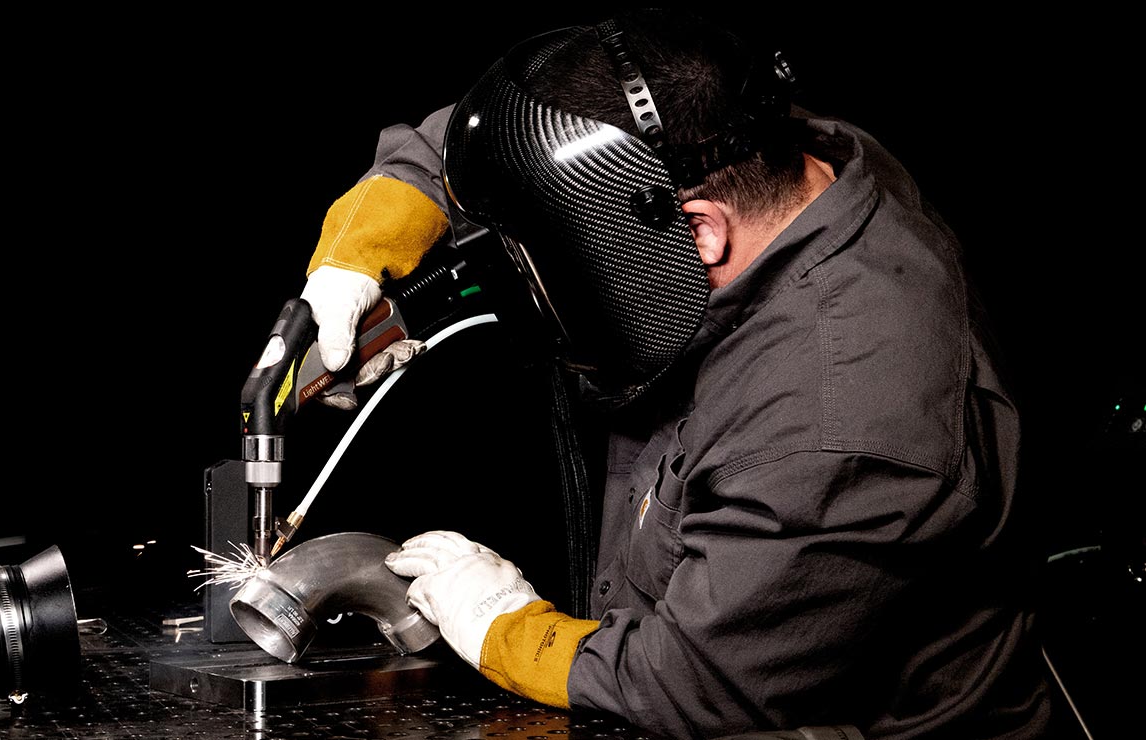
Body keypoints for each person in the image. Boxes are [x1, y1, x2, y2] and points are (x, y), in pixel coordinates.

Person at [297, 10, 1056, 739]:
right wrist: (365, 248)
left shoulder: (836, 419)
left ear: (697, 230)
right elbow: (531, 134)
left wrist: (500, 624)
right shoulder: (764, 153)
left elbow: (696, 682)